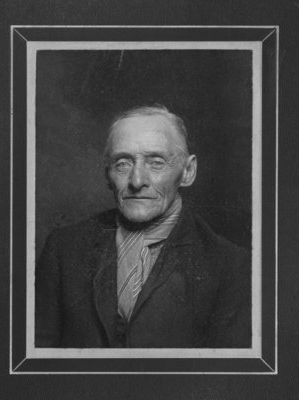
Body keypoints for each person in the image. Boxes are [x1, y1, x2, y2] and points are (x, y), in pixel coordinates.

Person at [35, 105, 251, 348]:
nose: (137, 181)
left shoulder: (233, 266)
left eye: (156, 163)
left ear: (188, 172)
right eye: (123, 163)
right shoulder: (63, 249)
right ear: (108, 174)